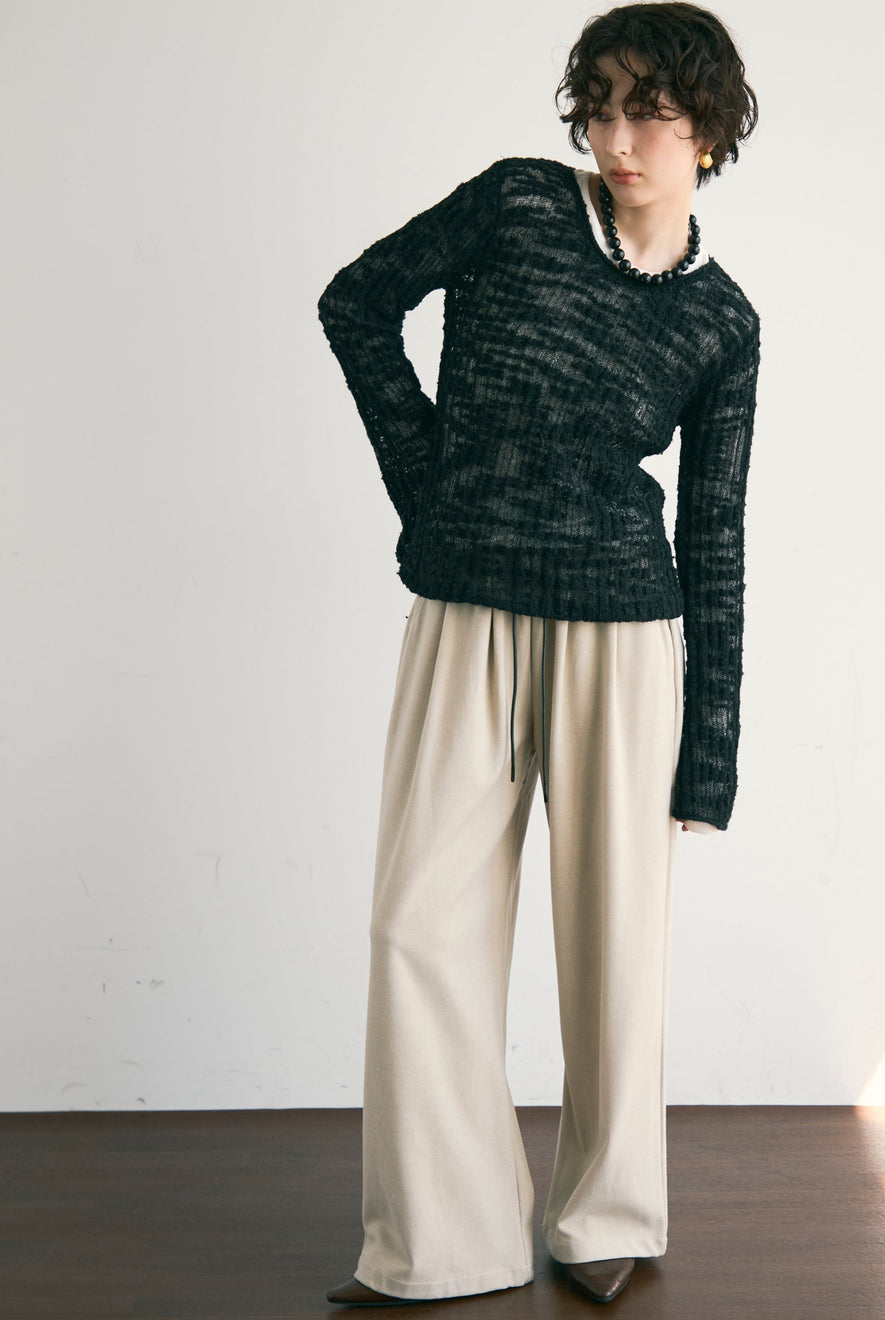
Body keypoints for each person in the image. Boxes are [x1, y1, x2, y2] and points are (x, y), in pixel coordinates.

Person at [316, 1, 760, 1306]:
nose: (616, 140)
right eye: (600, 109)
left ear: (708, 133)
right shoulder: (516, 205)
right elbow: (356, 303)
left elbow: (715, 533)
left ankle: (606, 1216)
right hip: (467, 616)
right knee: (418, 928)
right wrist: (432, 490)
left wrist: (711, 753)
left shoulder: (723, 322)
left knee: (616, 942)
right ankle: (437, 1239)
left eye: (649, 114)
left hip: (625, 638)